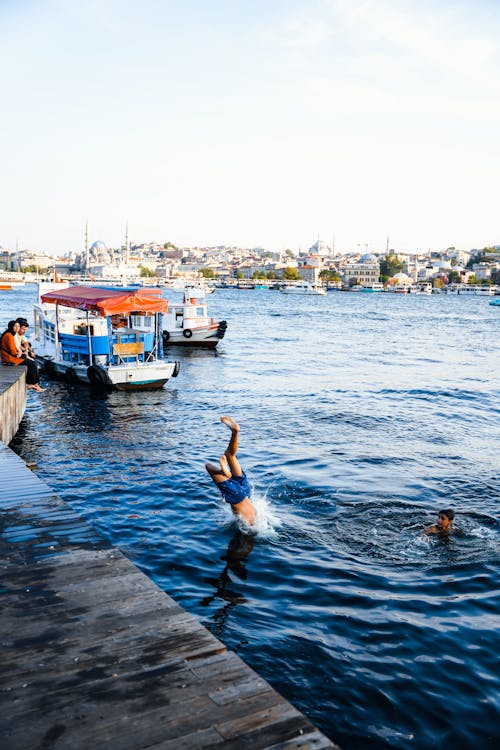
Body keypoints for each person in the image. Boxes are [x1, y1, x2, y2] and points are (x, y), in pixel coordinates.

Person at [205, 416, 256, 526]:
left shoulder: (258, 516)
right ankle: (223, 472)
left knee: (230, 455)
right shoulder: (251, 525)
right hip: (236, 496)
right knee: (208, 466)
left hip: (246, 489)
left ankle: (235, 432)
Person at [1, 320, 45, 392]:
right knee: (32, 364)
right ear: (11, 327)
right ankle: (32, 384)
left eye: (18, 326)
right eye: (16, 326)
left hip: (10, 357)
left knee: (32, 363)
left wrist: (21, 352)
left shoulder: (9, 334)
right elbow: (13, 350)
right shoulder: (9, 336)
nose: (17, 328)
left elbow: (14, 348)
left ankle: (35, 384)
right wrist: (19, 353)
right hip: (10, 358)